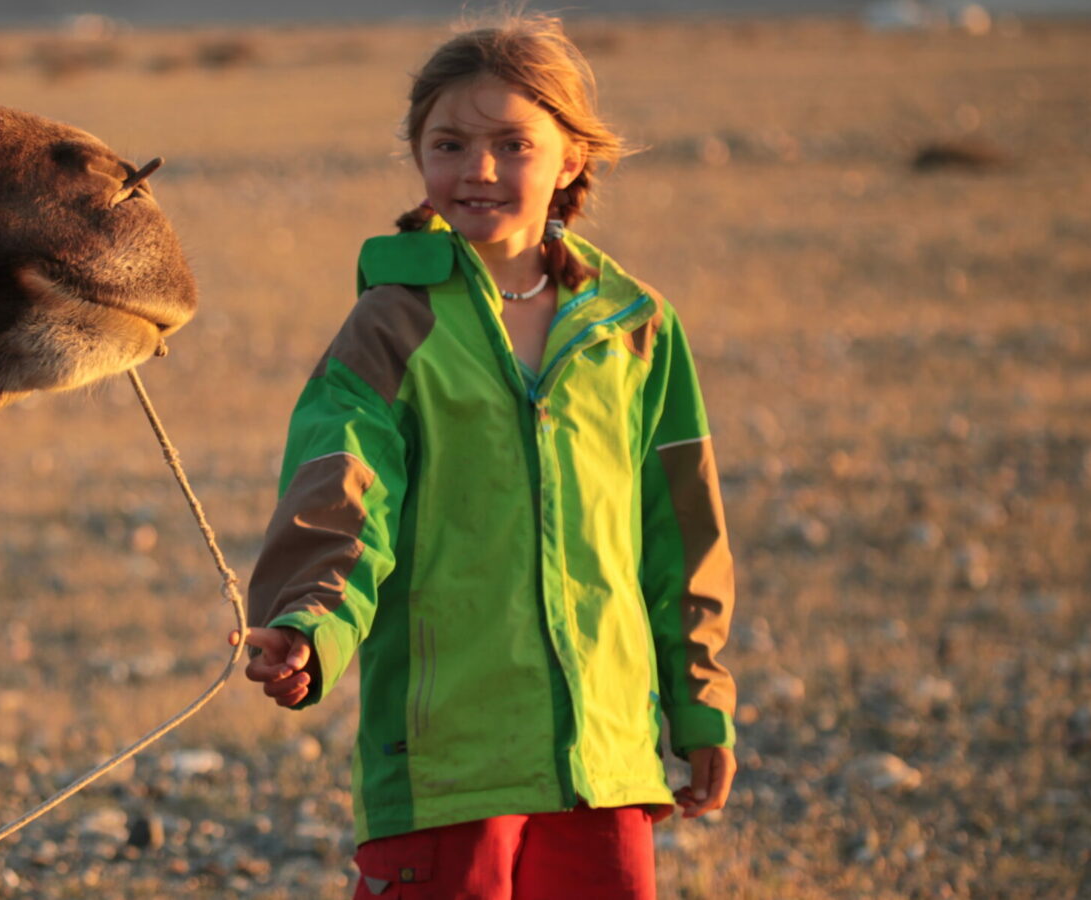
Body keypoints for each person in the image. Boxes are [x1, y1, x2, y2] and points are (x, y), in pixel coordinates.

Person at [235, 15, 738, 899]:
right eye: (450, 143)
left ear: (572, 157)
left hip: (604, 759)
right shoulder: (393, 322)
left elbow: (682, 535)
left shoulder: (636, 327)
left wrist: (700, 702)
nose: (479, 170)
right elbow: (343, 487)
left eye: (514, 144)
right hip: (444, 760)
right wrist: (308, 621)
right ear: (418, 155)